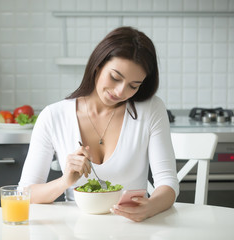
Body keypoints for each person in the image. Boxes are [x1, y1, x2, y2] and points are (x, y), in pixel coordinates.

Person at [19, 26, 179, 222]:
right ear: (98, 65)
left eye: (133, 86)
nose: (120, 92)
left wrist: (150, 207)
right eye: (115, 77)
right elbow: (25, 194)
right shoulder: (53, 116)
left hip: (134, 230)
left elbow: (168, 183)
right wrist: (65, 181)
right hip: (77, 230)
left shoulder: (151, 109)